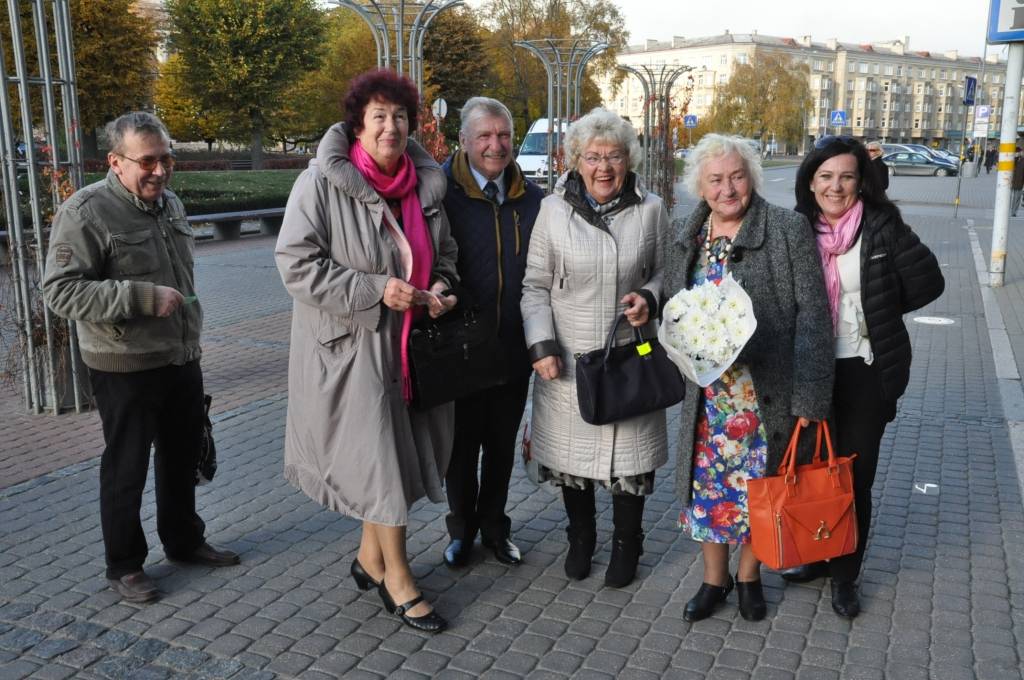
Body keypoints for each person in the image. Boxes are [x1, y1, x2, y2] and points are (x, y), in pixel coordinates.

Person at [274, 69, 459, 633]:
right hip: (351, 350)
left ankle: (368, 558)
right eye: (379, 116)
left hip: (411, 347)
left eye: (400, 116)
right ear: (358, 124)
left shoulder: (424, 185)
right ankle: (397, 579)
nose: (391, 126)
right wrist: (375, 288)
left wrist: (443, 288)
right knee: (382, 463)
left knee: (394, 456)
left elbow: (444, 251)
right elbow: (296, 264)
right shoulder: (323, 183)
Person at [42, 112, 239, 604]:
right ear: (115, 161)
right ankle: (124, 564)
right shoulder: (86, 211)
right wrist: (139, 297)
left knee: (181, 455)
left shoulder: (169, 203)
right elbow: (61, 292)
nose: (161, 170)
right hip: (122, 364)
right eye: (148, 161)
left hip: (179, 356)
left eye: (167, 158)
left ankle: (184, 541)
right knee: (126, 467)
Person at [664, 133, 833, 622]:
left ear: (751, 178)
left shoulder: (785, 229)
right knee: (708, 490)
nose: (727, 188)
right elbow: (677, 309)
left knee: (763, 487)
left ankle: (749, 577)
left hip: (764, 392)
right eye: (715, 179)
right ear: (700, 184)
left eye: (737, 176)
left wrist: (811, 396)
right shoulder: (687, 234)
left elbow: (814, 317)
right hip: (709, 396)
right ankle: (714, 580)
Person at [783, 136, 945, 617]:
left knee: (853, 476)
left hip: (864, 370)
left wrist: (878, 311)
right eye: (826, 176)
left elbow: (929, 281)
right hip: (807, 369)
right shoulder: (794, 229)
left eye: (847, 177)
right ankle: (814, 556)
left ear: (860, 182)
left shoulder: (881, 226)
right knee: (812, 468)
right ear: (811, 181)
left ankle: (845, 574)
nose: (836, 186)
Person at [520, 107, 670, 589]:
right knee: (572, 463)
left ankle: (629, 542)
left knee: (629, 463)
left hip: (629, 356)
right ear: (574, 160)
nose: (604, 167)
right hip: (568, 356)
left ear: (629, 160)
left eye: (615, 156)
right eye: (593, 157)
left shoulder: (652, 208)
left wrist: (649, 297)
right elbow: (535, 286)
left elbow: (669, 273)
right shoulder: (552, 209)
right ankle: (580, 537)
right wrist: (541, 345)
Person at [440, 97, 543, 568]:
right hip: (459, 347)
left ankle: (496, 528)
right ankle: (460, 530)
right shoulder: (440, 193)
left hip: (511, 345)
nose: (495, 145)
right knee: (460, 449)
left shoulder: (534, 199)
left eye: (503, 135)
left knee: (500, 446)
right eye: (484, 136)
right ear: (463, 141)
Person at [1012, 147, 1024, 217]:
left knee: (1017, 198)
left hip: (1020, 183)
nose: (1021, 153)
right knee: (1014, 197)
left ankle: (1014, 211)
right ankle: (1012, 211)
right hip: (1013, 181)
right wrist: (1016, 157)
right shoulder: (1015, 160)